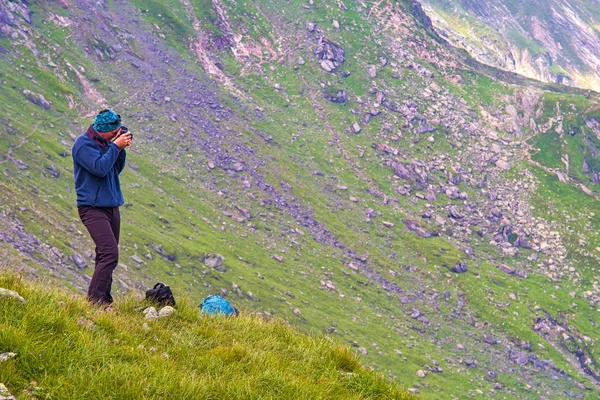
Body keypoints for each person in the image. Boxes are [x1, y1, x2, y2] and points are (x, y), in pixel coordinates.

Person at [72, 109, 132, 305]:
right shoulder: (83, 145)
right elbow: (99, 169)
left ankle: (104, 300)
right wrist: (115, 146)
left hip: (111, 206)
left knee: (104, 254)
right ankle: (95, 301)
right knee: (109, 253)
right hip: (92, 207)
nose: (116, 135)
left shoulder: (107, 143)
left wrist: (120, 149)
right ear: (103, 130)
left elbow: (115, 169)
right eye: (114, 132)